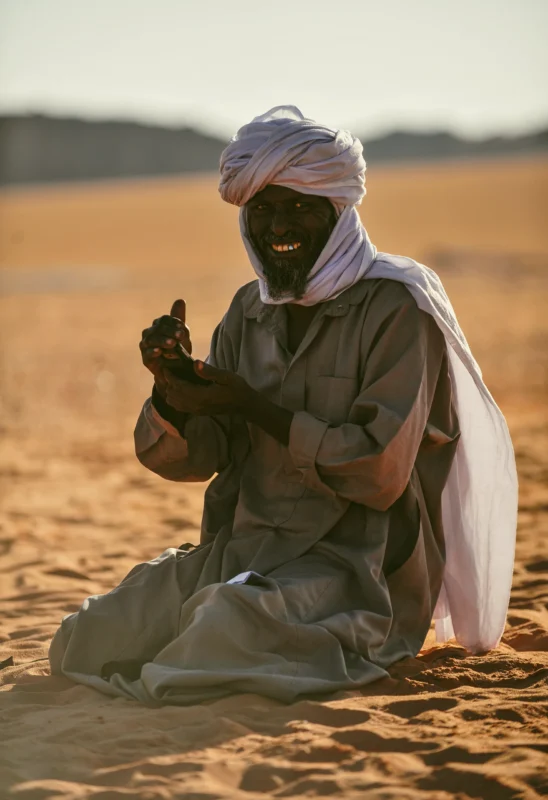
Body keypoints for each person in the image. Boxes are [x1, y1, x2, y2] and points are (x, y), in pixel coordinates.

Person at [49, 106, 517, 705]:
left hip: (354, 572)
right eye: (264, 209)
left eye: (300, 206)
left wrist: (255, 406)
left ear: (338, 210)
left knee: (217, 633)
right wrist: (172, 390)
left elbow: (380, 474)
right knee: (84, 638)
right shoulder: (250, 310)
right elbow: (202, 456)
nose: (279, 226)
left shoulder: (397, 312)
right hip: (241, 552)